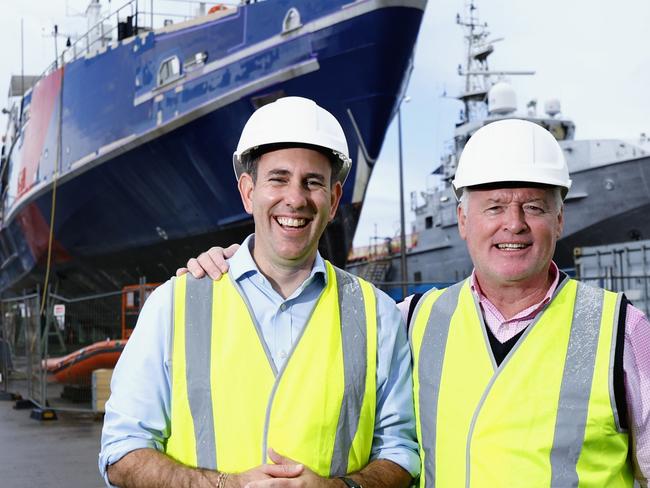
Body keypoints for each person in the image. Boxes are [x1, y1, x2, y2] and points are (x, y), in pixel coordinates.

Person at [179, 119, 650, 487]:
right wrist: (236, 262)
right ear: (461, 220)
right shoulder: (409, 321)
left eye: (533, 206)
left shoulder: (624, 333)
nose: (514, 225)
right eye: (494, 207)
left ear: (560, 219)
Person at [99, 97, 419, 488]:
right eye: (278, 178)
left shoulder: (378, 315)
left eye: (313, 182)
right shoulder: (174, 304)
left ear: (334, 201)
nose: (296, 198)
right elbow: (121, 452)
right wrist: (222, 485)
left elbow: (401, 453)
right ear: (248, 192)